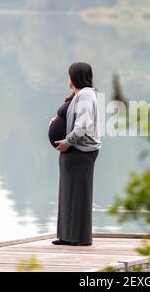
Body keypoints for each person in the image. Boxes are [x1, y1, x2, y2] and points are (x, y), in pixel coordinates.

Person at [50, 62, 101, 246]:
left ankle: (80, 237)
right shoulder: (79, 94)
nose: (67, 78)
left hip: (81, 151)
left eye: (69, 74)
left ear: (75, 76)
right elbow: (72, 119)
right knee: (68, 193)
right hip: (72, 151)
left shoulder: (87, 94)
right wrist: (57, 122)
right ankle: (66, 235)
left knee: (79, 194)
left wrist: (67, 141)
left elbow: (83, 125)